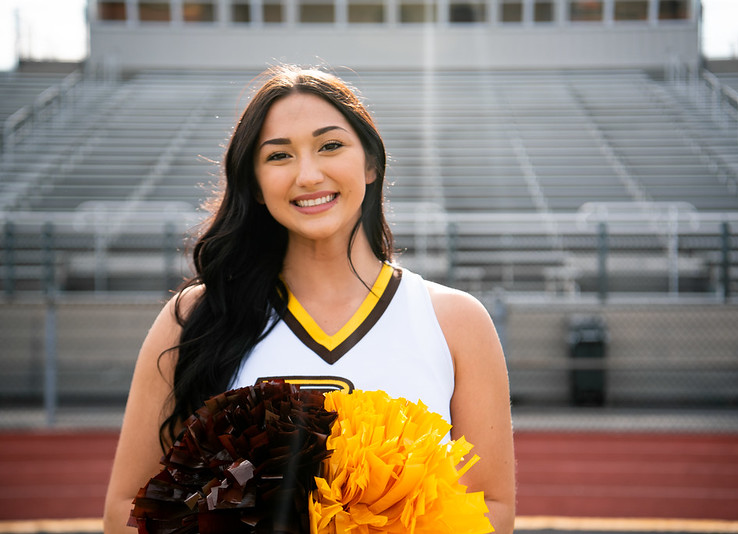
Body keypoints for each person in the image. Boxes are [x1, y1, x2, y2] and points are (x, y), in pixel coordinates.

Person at [103, 65, 516, 533]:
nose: (309, 174)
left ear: (371, 162)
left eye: (330, 146)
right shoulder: (195, 317)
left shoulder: (456, 321)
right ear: (255, 184)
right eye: (279, 156)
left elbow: (493, 508)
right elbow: (124, 508)